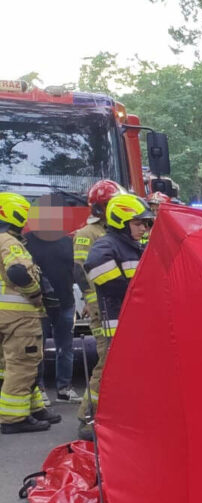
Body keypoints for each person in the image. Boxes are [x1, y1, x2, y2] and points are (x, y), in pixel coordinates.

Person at [78, 193, 153, 440]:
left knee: (132, 375)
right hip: (117, 324)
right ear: (121, 221)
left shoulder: (132, 246)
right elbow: (106, 281)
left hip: (133, 323)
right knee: (109, 374)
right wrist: (140, 288)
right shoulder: (106, 246)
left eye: (145, 223)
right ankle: (89, 420)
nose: (144, 227)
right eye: (139, 223)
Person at [0, 193, 62, 434]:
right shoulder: (9, 241)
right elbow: (17, 272)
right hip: (19, 316)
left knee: (10, 364)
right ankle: (13, 419)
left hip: (6, 316)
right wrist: (37, 293)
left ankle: (33, 408)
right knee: (24, 363)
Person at [73, 180, 119, 431]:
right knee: (106, 361)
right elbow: (81, 273)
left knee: (114, 359)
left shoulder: (112, 230)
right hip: (100, 308)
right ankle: (87, 414)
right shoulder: (87, 234)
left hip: (110, 306)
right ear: (101, 207)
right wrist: (93, 302)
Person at [24, 203, 78, 402]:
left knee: (66, 348)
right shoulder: (26, 242)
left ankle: (64, 389)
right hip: (39, 305)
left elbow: (76, 269)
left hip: (65, 303)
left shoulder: (67, 241)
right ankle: (40, 390)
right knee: (38, 350)